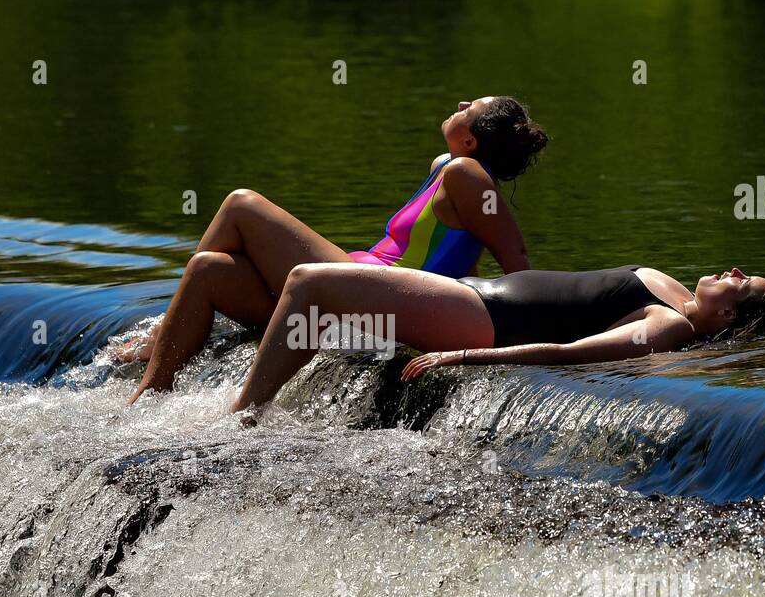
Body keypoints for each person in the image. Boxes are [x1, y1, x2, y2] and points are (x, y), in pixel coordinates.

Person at [117, 96, 548, 402]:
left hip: (368, 292)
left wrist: (513, 345)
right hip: (349, 283)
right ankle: (152, 392)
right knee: (208, 268)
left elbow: (517, 262)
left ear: (471, 141)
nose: (458, 104)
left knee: (241, 203)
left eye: (467, 108)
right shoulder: (446, 167)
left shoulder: (469, 176)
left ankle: (157, 339)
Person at [226, 265, 765, 412]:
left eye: (743, 283)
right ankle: (157, 371)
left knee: (309, 283)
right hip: (470, 295)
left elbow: (569, 355)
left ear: (732, 322)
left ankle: (244, 415)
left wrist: (467, 355)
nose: (734, 271)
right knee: (219, 267)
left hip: (479, 319)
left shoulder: (672, 326)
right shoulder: (671, 290)